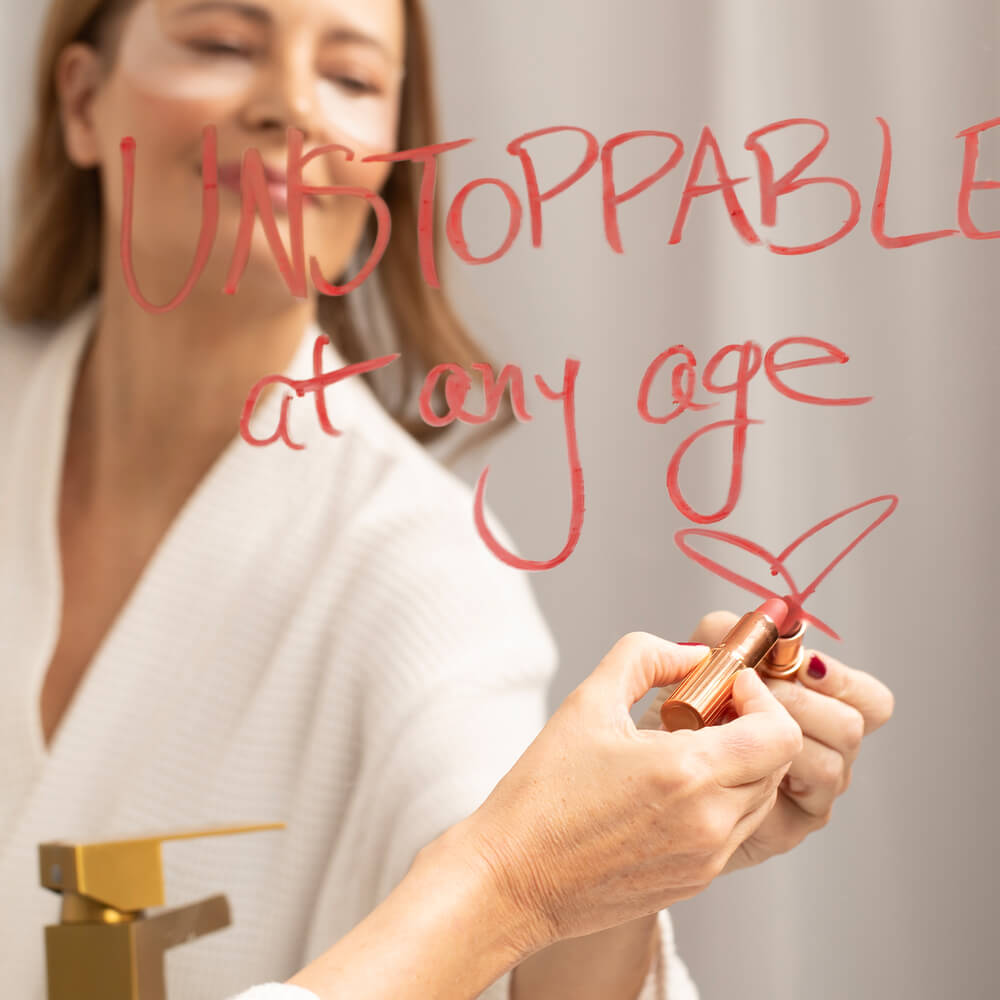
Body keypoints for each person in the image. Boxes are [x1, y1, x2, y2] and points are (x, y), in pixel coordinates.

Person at [0, 1, 895, 998]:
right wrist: (528, 874)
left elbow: (523, 958)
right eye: (221, 43)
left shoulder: (427, 576)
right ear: (82, 101)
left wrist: (611, 861)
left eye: (349, 77)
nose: (290, 107)